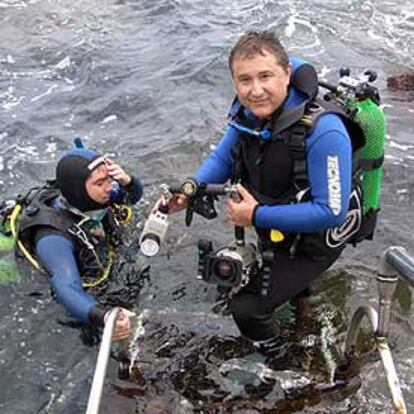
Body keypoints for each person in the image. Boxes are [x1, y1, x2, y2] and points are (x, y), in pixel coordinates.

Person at [162, 30, 364, 346]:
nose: (255, 90)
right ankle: (302, 311)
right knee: (271, 282)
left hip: (316, 238)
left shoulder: (325, 131)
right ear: (234, 83)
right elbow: (222, 157)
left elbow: (332, 211)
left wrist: (256, 215)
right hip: (273, 223)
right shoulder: (247, 117)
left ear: (286, 74)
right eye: (245, 80)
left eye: (265, 76)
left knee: (246, 307)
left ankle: (280, 364)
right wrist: (191, 189)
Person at [16, 146, 144, 342]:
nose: (110, 187)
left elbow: (131, 197)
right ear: (78, 189)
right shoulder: (53, 238)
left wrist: (126, 180)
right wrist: (104, 317)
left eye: (109, 179)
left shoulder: (93, 197)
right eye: (100, 182)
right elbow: (67, 288)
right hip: (67, 289)